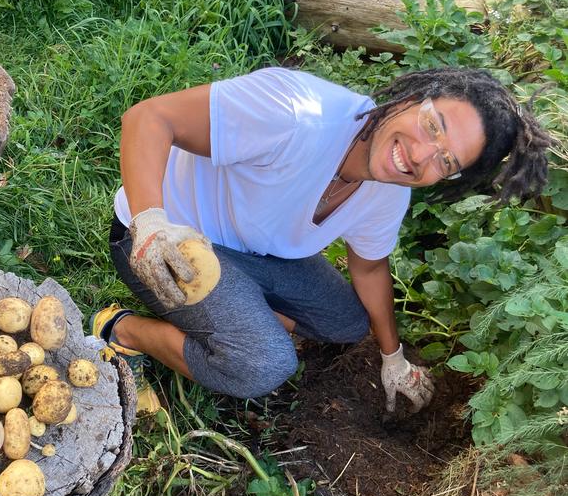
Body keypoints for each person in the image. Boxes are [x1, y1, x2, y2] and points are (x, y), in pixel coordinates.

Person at [91, 65, 551, 411]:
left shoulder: (387, 192)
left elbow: (369, 267)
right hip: (165, 243)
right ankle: (121, 328)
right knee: (265, 365)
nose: (421, 156)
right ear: (412, 97)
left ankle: (240, 310)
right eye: (434, 126)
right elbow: (150, 118)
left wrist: (394, 356)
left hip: (251, 253)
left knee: (349, 323)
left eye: (446, 162)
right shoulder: (296, 114)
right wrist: (150, 223)